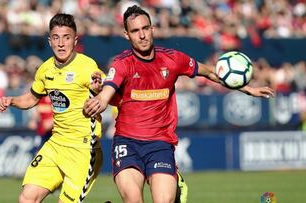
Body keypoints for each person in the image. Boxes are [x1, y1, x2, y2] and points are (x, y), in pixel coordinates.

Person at [83, 5, 275, 203]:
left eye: (145, 28)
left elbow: (210, 72)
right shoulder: (122, 63)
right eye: (135, 31)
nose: (141, 35)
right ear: (126, 35)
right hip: (127, 143)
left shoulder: (173, 59)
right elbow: (108, 90)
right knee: (133, 199)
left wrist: (247, 88)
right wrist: (100, 99)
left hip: (160, 144)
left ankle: (175, 186)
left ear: (152, 29)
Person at [0, 13, 104, 203]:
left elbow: (104, 91)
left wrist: (99, 91)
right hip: (55, 145)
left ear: (75, 40)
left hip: (82, 149)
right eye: (56, 38)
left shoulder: (87, 66)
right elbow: (31, 98)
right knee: (27, 198)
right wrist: (11, 101)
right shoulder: (45, 69)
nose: (61, 43)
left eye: (66, 37)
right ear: (49, 41)